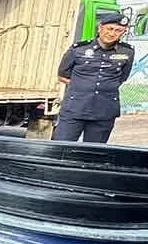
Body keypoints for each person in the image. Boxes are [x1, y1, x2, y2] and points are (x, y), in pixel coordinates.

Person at [52, 11, 134, 144]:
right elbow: (62, 75)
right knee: (61, 148)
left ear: (123, 32)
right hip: (75, 108)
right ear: (100, 28)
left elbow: (122, 77)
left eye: (118, 30)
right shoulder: (78, 49)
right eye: (110, 28)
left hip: (104, 111)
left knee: (94, 152)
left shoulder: (127, 52)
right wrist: (82, 85)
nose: (112, 33)